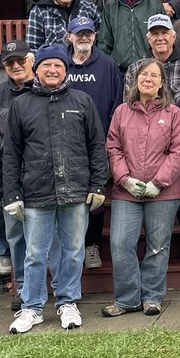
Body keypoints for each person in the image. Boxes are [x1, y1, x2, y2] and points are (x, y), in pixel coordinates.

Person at [2, 45, 108, 334]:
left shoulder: (82, 101)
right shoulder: (21, 105)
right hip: (36, 191)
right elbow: (11, 153)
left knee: (73, 251)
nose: (52, 70)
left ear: (66, 70)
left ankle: (68, 302)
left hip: (75, 190)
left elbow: (96, 145)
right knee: (35, 253)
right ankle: (32, 307)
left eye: (58, 66)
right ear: (36, 69)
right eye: (46, 65)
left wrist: (99, 183)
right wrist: (11, 194)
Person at [102, 58, 180, 317]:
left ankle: (152, 296)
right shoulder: (121, 112)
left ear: (162, 83)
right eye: (144, 74)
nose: (148, 79)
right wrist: (125, 178)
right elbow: (113, 147)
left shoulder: (173, 113)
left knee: (157, 246)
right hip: (125, 192)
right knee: (120, 243)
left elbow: (178, 152)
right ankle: (127, 299)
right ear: (136, 79)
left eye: (154, 75)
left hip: (163, 192)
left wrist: (157, 183)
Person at [126, 14, 180, 268]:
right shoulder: (135, 69)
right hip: (145, 153)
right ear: (148, 38)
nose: (160, 38)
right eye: (155, 34)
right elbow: (129, 106)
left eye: (164, 33)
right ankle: (150, 253)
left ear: (173, 36)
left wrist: (165, 135)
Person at [63, 15, 124, 270]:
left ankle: (91, 245)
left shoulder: (108, 65)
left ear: (95, 36)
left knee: (96, 196)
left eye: (88, 33)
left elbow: (117, 103)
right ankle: (70, 249)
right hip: (65, 144)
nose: (84, 37)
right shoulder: (59, 64)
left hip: (98, 143)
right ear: (70, 37)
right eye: (79, 34)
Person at [0, 39, 34, 311]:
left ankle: (58, 288)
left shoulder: (43, 88)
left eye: (20, 60)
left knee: (52, 236)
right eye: (10, 63)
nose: (16, 66)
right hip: (10, 177)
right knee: (16, 236)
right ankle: (24, 289)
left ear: (31, 60)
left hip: (41, 175)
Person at [98, 0, 161, 73]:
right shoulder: (111, 5)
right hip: (119, 72)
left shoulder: (155, 4)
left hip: (148, 71)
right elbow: (104, 43)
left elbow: (163, 39)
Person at [25, 0, 100, 50]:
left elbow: (100, 40)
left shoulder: (89, 8)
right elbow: (32, 47)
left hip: (85, 61)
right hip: (52, 61)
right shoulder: (39, 11)